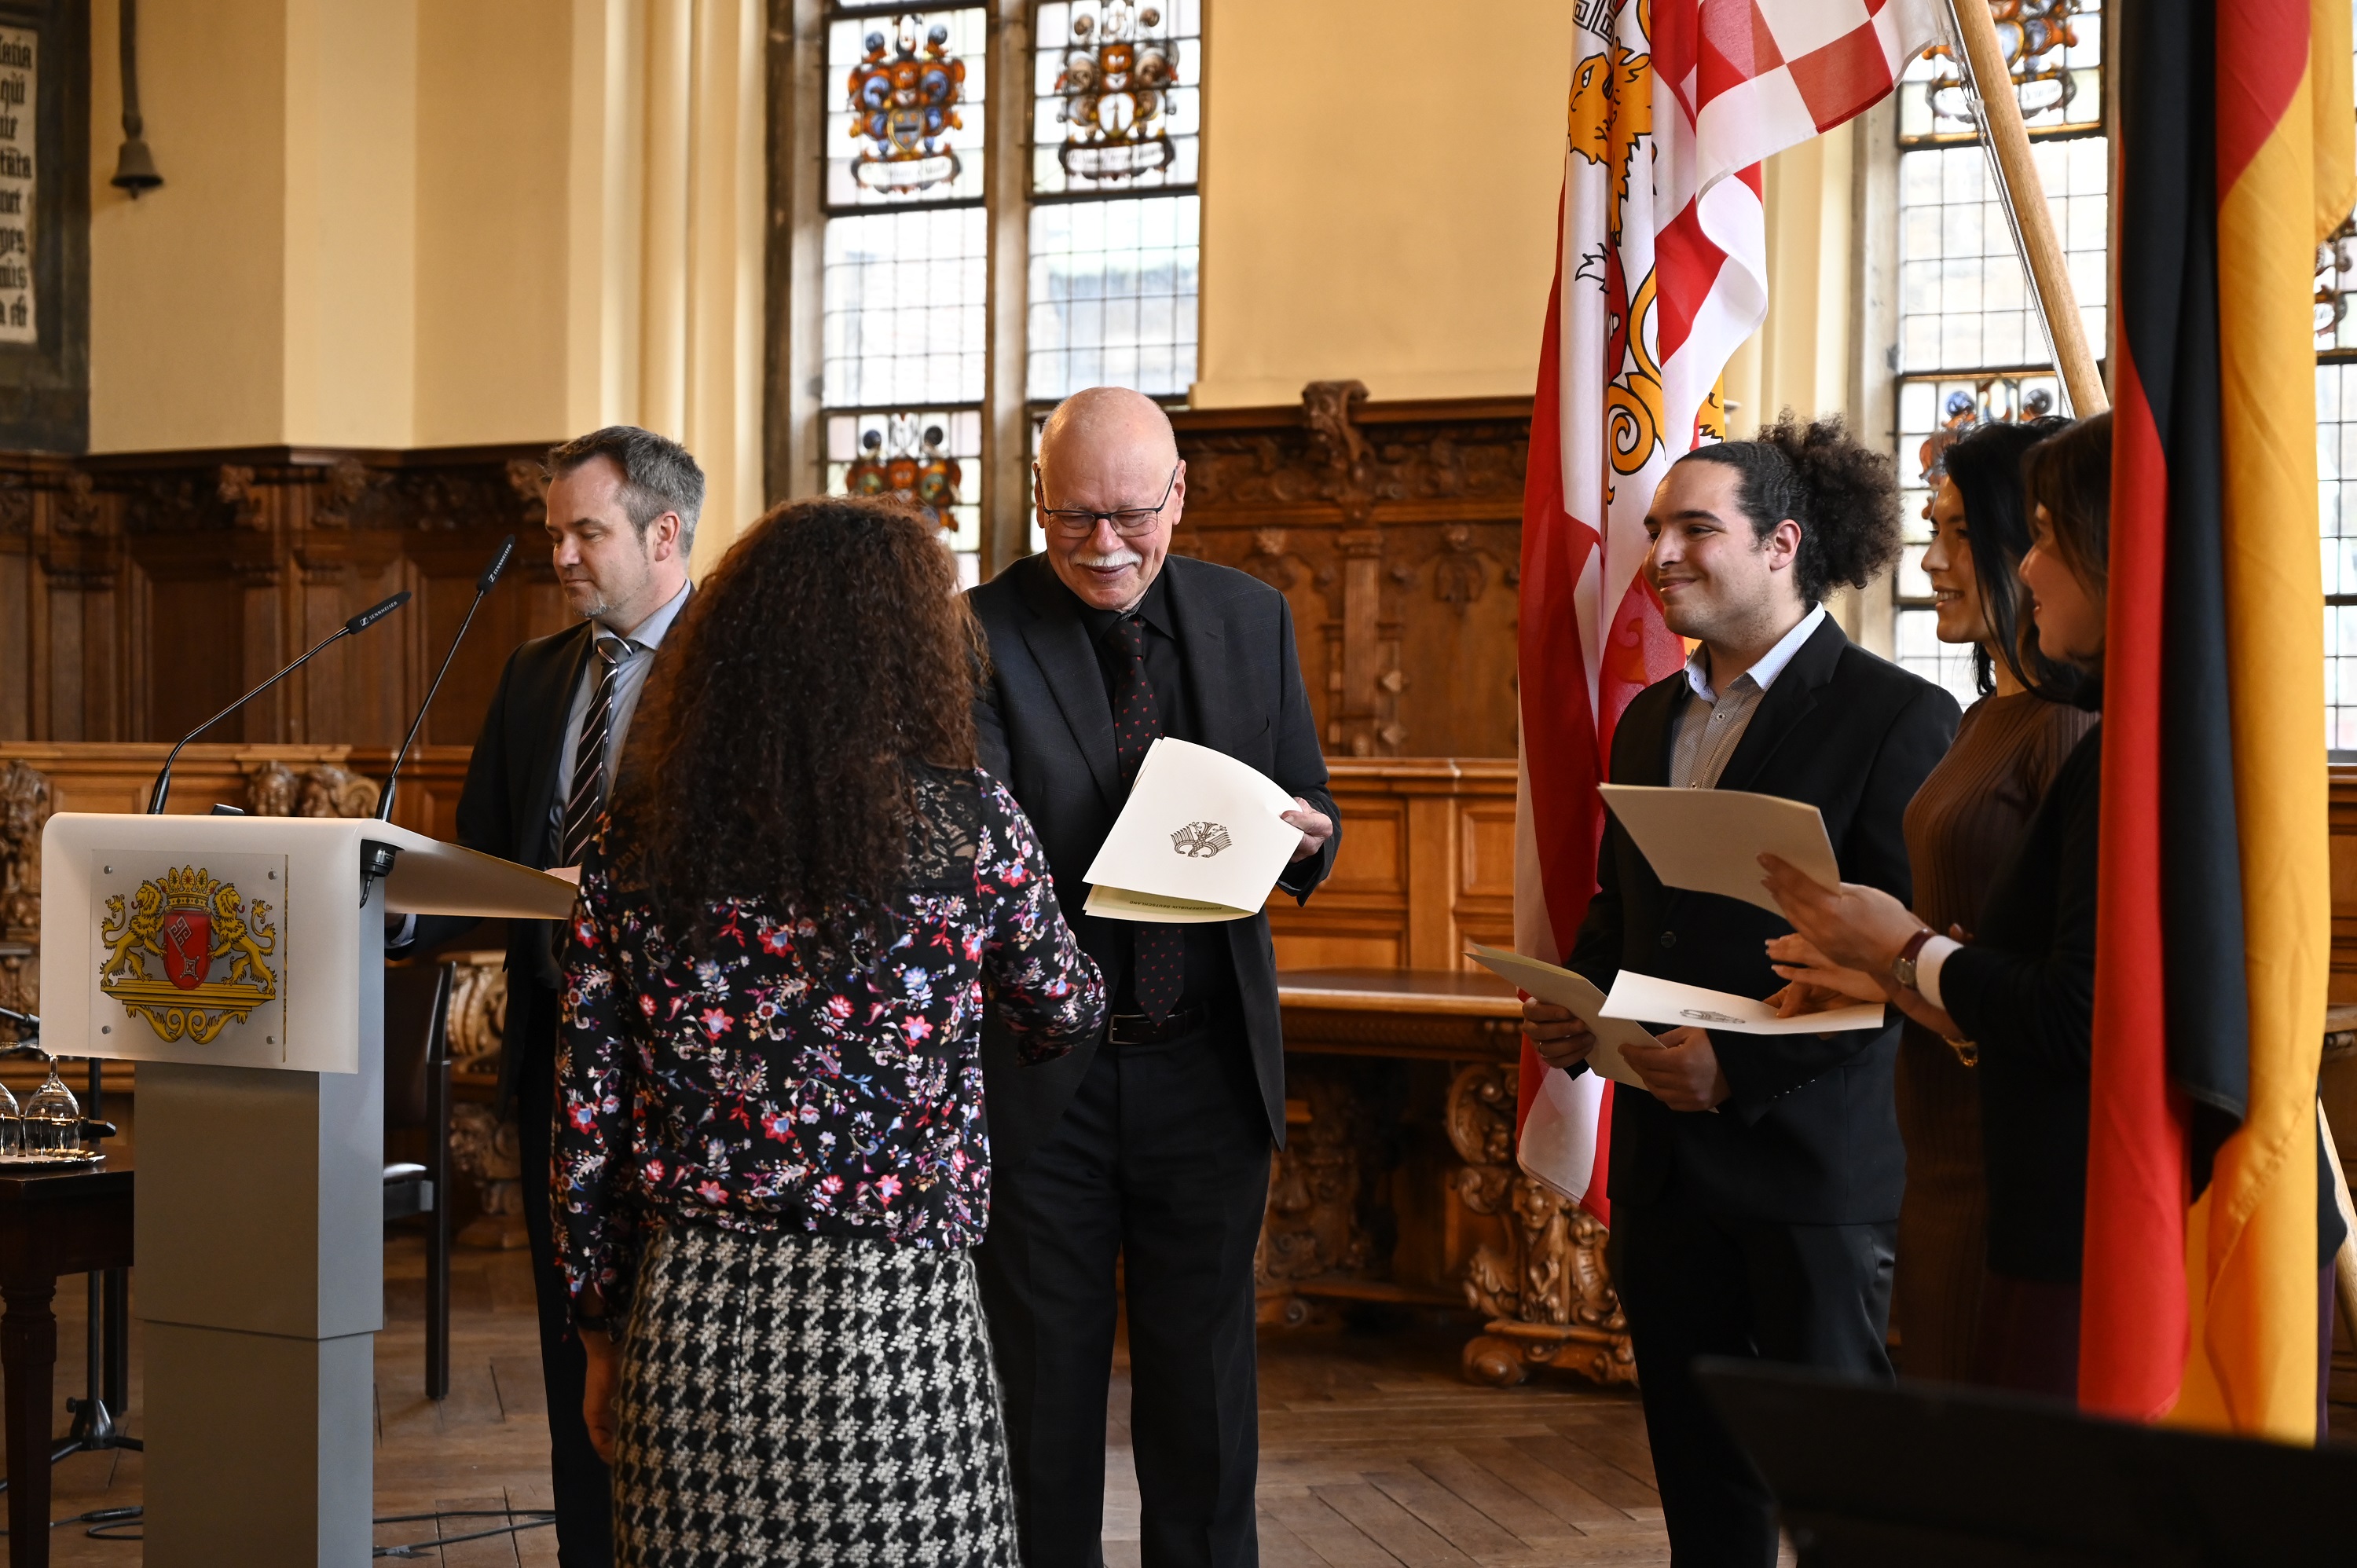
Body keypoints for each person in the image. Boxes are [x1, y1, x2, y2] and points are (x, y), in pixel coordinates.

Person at [556, 496, 1108, 1564]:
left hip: (695, 1310)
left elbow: (587, 1116)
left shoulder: (638, 839)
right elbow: (1065, 1008)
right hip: (898, 1311)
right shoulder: (968, 827)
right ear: (914, 652)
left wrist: (595, 1325)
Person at [1519, 412, 1959, 1566]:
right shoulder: (1648, 718)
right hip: (1666, 1173)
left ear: (1782, 544)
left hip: (1813, 1168)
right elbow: (1625, 914)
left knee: (1846, 1495)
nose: (1660, 553)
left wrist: (1742, 1064)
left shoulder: (1897, 716)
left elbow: (1903, 962)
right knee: (1702, 1488)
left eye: (1694, 529)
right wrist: (1579, 1004)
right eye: (1656, 530)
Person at [966, 387, 1339, 1568]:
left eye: (1131, 515)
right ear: (1037, 500)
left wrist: (1307, 839)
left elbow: (1309, 798)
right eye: (1073, 517)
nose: (1105, 545)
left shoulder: (1250, 616)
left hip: (1207, 1064)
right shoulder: (976, 631)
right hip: (1047, 1076)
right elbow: (973, 845)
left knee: (1207, 1404)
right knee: (1042, 1399)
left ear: (1179, 494)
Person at [400, 425, 701, 1566]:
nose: (561, 556)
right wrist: (394, 911)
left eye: (586, 532)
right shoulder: (535, 675)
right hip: (555, 1069)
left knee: (679, 1358)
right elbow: (486, 854)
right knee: (577, 1351)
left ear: (664, 534)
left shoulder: (736, 669)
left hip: (687, 1082)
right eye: (554, 534)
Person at [1769, 416, 2093, 1383]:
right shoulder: (1989, 713)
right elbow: (1969, 937)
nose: (1934, 562)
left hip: (2008, 1148)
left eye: (1960, 533)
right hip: (1941, 1138)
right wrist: (1873, 970)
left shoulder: (2066, 728)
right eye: (1931, 531)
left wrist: (1900, 955)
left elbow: (2058, 979)